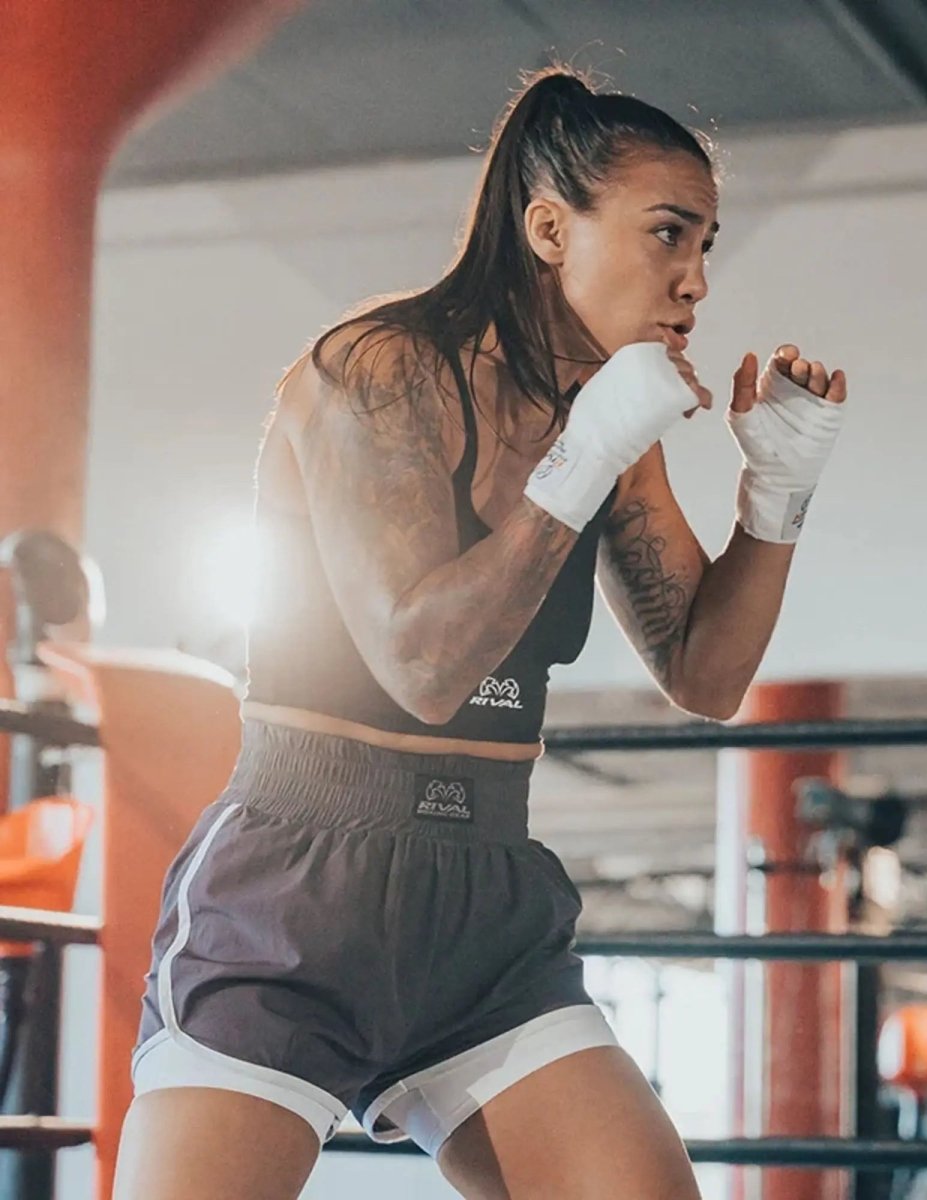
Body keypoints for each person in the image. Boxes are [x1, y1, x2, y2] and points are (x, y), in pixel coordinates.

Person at [113, 66, 847, 1200]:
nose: (696, 280)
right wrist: (586, 451)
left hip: (485, 914)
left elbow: (705, 677)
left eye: (707, 245)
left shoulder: (610, 429)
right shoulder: (379, 372)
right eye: (668, 234)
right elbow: (422, 665)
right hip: (297, 893)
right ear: (551, 230)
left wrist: (776, 496)